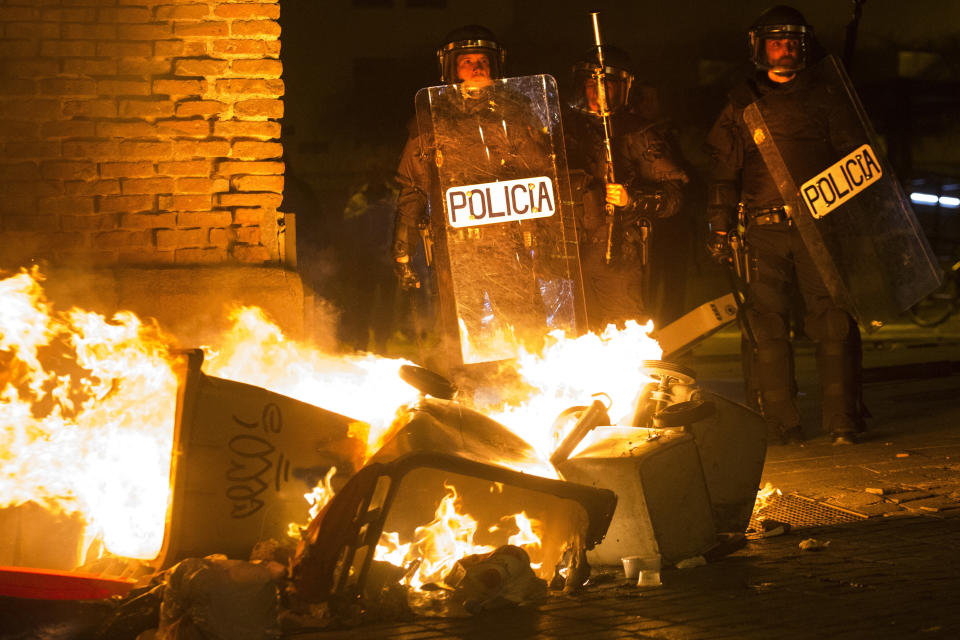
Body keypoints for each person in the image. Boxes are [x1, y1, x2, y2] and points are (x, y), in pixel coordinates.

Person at [704, 5, 865, 446]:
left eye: (792, 42)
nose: (785, 50)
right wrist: (719, 228)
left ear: (804, 46)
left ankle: (842, 420)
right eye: (776, 42)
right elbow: (723, 171)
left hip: (820, 227)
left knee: (833, 322)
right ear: (760, 47)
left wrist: (854, 222)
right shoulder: (740, 104)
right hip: (762, 229)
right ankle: (780, 421)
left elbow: (860, 163)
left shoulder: (829, 99)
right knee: (767, 326)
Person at [392, 25, 553, 374]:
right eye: (467, 62)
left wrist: (549, 233)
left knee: (526, 327)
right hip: (456, 249)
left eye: (483, 61)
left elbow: (543, 177)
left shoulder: (516, 114)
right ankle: (461, 397)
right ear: (452, 68)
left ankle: (532, 387)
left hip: (510, 245)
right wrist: (403, 245)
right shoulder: (432, 121)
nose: (477, 68)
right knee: (458, 332)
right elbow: (414, 186)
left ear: (495, 66)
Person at [563, 45, 688, 332]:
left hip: (616, 254)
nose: (599, 93)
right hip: (566, 257)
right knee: (569, 341)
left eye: (608, 85)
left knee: (620, 335)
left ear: (624, 88)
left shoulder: (639, 134)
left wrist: (632, 199)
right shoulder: (562, 131)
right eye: (592, 85)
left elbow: (674, 197)